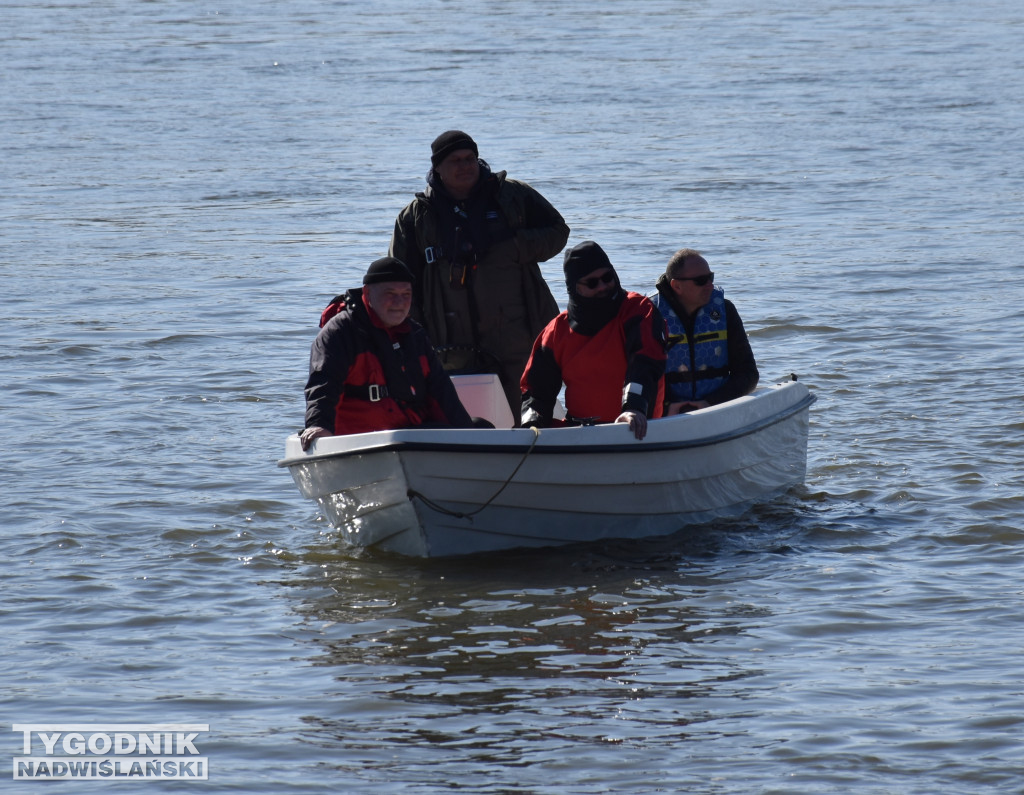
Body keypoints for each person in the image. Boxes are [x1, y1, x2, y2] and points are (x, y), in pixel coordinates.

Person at [389, 130, 570, 420]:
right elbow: (399, 283)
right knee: (460, 421)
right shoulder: (414, 217)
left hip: (517, 334)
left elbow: (559, 232)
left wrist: (513, 247)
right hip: (450, 342)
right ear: (437, 167)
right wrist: (412, 338)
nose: (465, 166)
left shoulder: (512, 195)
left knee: (528, 415)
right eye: (455, 160)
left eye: (470, 158)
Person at [300, 257, 476, 450]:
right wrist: (319, 425)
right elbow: (323, 386)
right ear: (367, 293)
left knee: (480, 428)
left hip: (408, 437)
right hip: (358, 442)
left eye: (406, 294)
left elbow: (442, 392)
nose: (399, 302)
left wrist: (469, 437)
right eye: (390, 294)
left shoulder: (415, 334)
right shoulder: (340, 333)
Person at [520, 241, 667, 440]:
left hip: (635, 428)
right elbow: (536, 391)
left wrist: (634, 408)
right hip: (579, 432)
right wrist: (531, 426)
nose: (603, 286)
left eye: (607, 277)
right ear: (574, 288)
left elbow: (645, 364)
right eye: (592, 283)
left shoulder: (638, 309)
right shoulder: (557, 330)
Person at [648, 248, 759, 415]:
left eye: (710, 278)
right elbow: (637, 376)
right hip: (666, 414)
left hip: (717, 408)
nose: (710, 285)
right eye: (701, 281)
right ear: (677, 286)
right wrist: (665, 407)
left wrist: (711, 402)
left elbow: (748, 374)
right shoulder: (649, 315)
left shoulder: (725, 310)